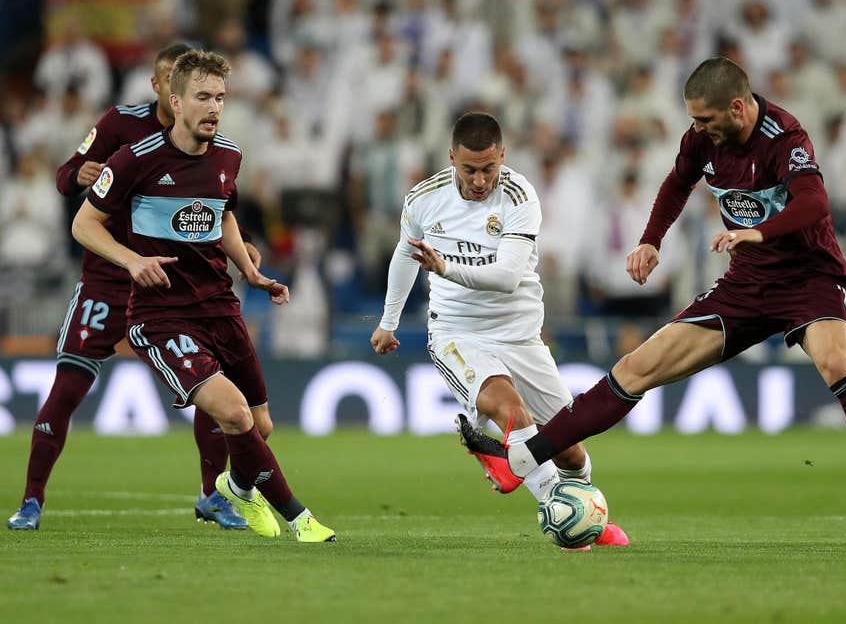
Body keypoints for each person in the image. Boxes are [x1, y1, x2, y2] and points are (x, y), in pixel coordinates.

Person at [459, 58, 846, 554]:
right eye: (693, 120)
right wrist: (651, 240)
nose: (696, 129)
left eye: (704, 119)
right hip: (745, 284)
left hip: (807, 279)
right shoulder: (702, 139)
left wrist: (758, 231)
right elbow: (677, 183)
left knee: (836, 363)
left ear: (738, 107)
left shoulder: (785, 137)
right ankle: (523, 460)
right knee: (638, 367)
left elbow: (815, 204)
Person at [67, 50, 335, 543]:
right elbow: (83, 224)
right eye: (203, 97)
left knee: (260, 425)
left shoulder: (229, 154)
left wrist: (249, 270)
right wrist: (131, 260)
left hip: (220, 304)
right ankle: (302, 519)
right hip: (162, 313)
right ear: (175, 100)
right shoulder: (135, 160)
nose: (214, 107)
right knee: (233, 413)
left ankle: (235, 486)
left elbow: (224, 213)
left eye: (221, 98)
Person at [8, 44, 261, 531]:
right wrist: (79, 175)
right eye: (170, 82)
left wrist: (243, 247)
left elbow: (212, 209)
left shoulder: (209, 141)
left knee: (210, 391)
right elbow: (65, 178)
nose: (178, 93)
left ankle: (212, 494)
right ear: (160, 87)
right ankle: (31, 500)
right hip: (108, 281)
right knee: (68, 386)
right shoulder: (121, 126)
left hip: (173, 287)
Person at [370, 112, 628, 548]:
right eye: (468, 169)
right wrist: (388, 321)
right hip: (457, 333)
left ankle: (576, 503)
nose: (478, 179)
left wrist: (445, 267)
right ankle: (572, 524)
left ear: (502, 156)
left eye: (488, 168)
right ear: (451, 157)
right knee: (512, 413)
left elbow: (507, 276)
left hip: (520, 335)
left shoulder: (520, 195)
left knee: (570, 449)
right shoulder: (423, 199)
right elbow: (404, 254)